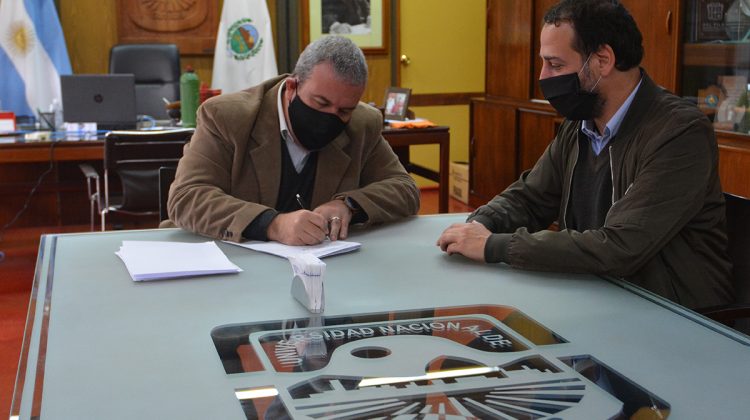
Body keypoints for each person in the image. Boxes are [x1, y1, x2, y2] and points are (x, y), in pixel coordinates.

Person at [437, 0, 733, 309]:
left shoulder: (681, 132)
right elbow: (530, 197)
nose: (544, 77)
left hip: (672, 313)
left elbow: (620, 246)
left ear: (603, 60)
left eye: (556, 65)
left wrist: (493, 246)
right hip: (595, 294)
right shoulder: (580, 124)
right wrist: (481, 224)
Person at [165, 36, 419, 245]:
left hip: (322, 274)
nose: (330, 117)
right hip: (227, 264)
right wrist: (272, 224)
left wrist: (349, 206)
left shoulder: (362, 123)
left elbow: (404, 189)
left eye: (344, 111)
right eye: (320, 103)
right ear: (291, 88)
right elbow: (187, 198)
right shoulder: (226, 117)